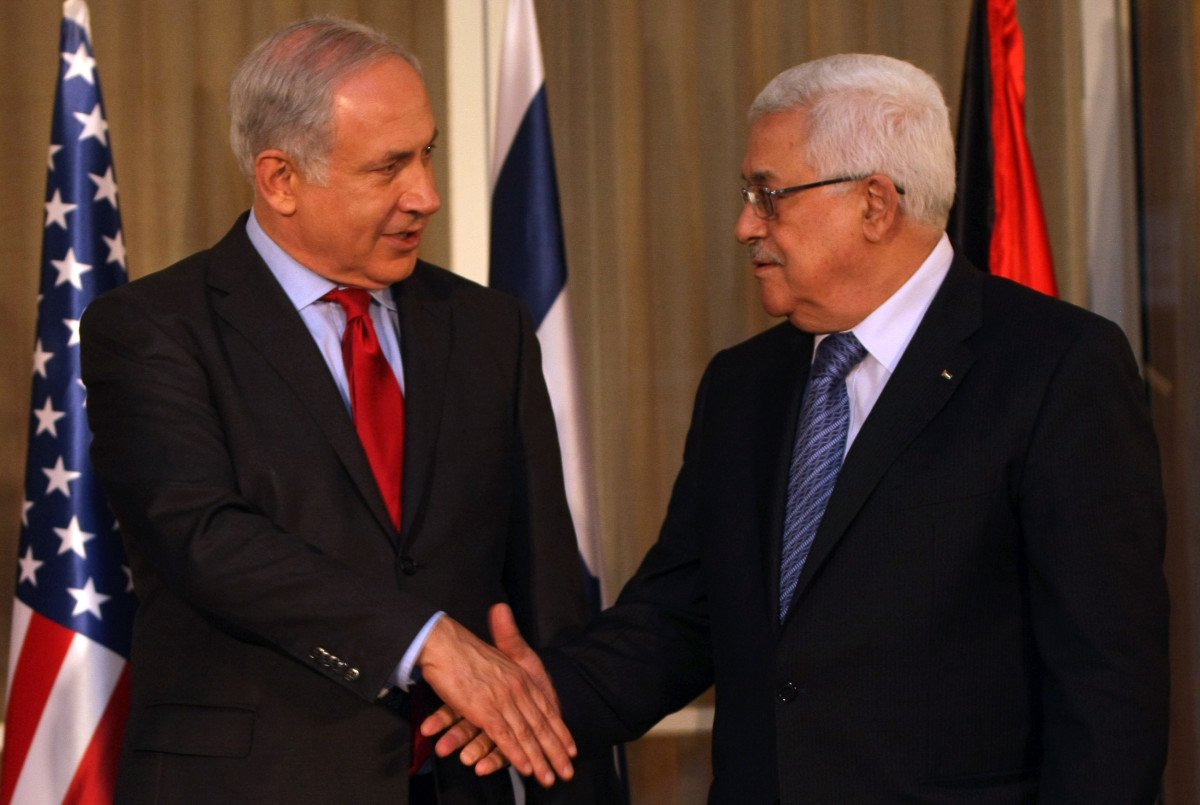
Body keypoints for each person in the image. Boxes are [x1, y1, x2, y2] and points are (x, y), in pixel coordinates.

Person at [431, 53, 1170, 803]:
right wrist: (542, 695)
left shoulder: (1055, 367)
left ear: (875, 204)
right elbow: (679, 617)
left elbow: (1108, 686)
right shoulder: (743, 385)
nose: (744, 225)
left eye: (769, 195)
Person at [80, 17, 617, 805]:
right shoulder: (153, 329)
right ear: (280, 179)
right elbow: (203, 536)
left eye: (427, 152)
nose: (426, 195)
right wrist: (425, 639)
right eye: (389, 166)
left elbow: (544, 581)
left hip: (459, 782)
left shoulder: (487, 328)